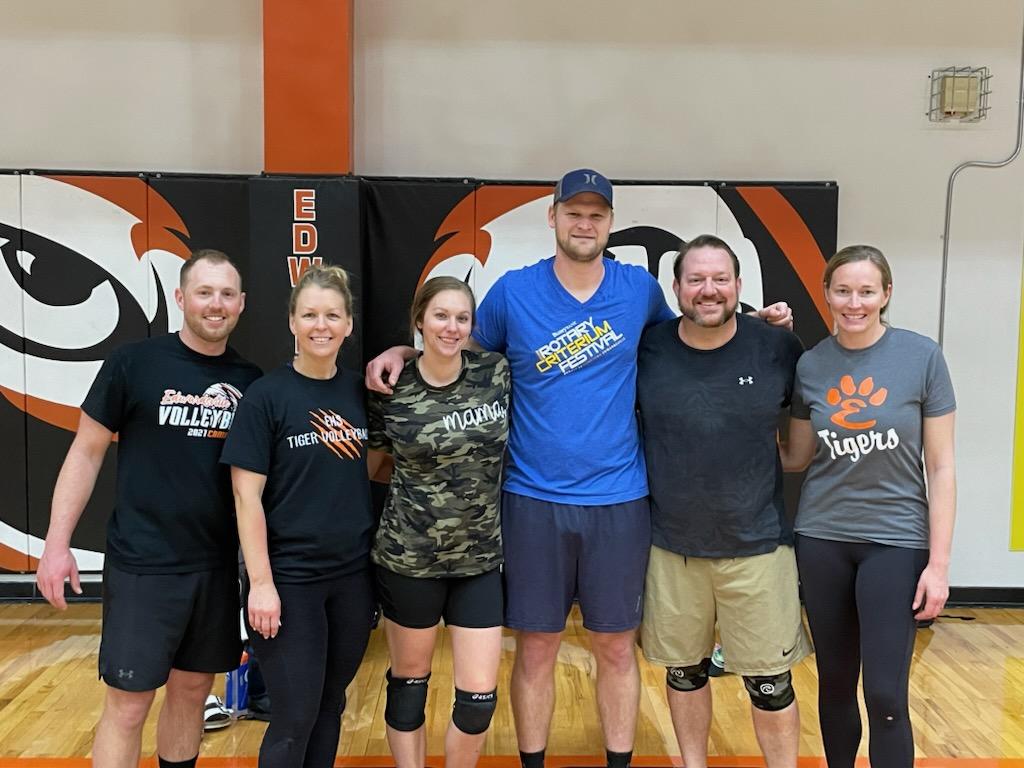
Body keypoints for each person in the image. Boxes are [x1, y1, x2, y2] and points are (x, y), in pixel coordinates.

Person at [367, 169, 794, 768]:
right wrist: (404, 350)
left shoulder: (639, 290)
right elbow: (454, 348)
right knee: (537, 649)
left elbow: (697, 327)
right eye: (574, 212)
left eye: (596, 214)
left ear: (610, 222)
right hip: (531, 498)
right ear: (553, 218)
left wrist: (763, 324)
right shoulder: (513, 293)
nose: (585, 223)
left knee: (616, 648)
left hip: (619, 499)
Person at [35, 249, 260, 768]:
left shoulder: (250, 381)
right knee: (130, 704)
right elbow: (86, 452)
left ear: (242, 304)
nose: (216, 304)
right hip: (143, 567)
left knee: (191, 693)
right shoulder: (132, 364)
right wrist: (55, 543)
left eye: (227, 294)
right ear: (181, 298)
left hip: (214, 566)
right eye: (204, 292)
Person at [636, 235, 811, 768]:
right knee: (684, 673)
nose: (707, 290)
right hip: (671, 546)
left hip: (758, 545)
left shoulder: (779, 346)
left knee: (770, 683)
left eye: (719, 279)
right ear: (676, 288)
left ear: (738, 286)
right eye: (696, 280)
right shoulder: (649, 347)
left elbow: (798, 453)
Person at [780, 245, 956, 768]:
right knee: (834, 684)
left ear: (886, 294)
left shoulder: (921, 357)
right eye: (842, 291)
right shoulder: (811, 365)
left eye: (866, 291)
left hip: (896, 543)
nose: (853, 302)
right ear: (827, 293)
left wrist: (939, 566)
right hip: (822, 538)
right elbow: (796, 457)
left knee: (883, 694)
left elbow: (942, 467)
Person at [222, 264, 377, 768]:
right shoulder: (266, 397)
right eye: (309, 314)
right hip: (289, 581)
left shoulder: (359, 392)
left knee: (331, 705)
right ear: (291, 321)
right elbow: (246, 500)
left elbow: (375, 465)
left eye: (332, 315)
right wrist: (261, 585)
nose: (321, 325)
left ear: (349, 324)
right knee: (294, 714)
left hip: (352, 578)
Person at [367, 276, 510, 768]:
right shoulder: (390, 386)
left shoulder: (495, 372)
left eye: (461, 318)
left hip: (479, 559)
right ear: (419, 321)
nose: (451, 327)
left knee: (478, 702)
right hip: (408, 559)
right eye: (441, 316)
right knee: (409, 686)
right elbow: (373, 464)